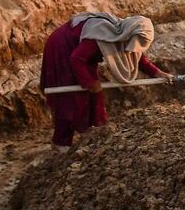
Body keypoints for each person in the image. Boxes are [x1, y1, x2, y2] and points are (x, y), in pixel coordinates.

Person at [39, 12, 172, 149]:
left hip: (81, 55)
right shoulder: (102, 33)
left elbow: (136, 55)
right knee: (70, 100)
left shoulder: (124, 33)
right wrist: (89, 82)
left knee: (94, 97)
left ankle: (93, 137)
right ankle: (61, 144)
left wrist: (157, 72)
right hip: (62, 49)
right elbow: (77, 58)